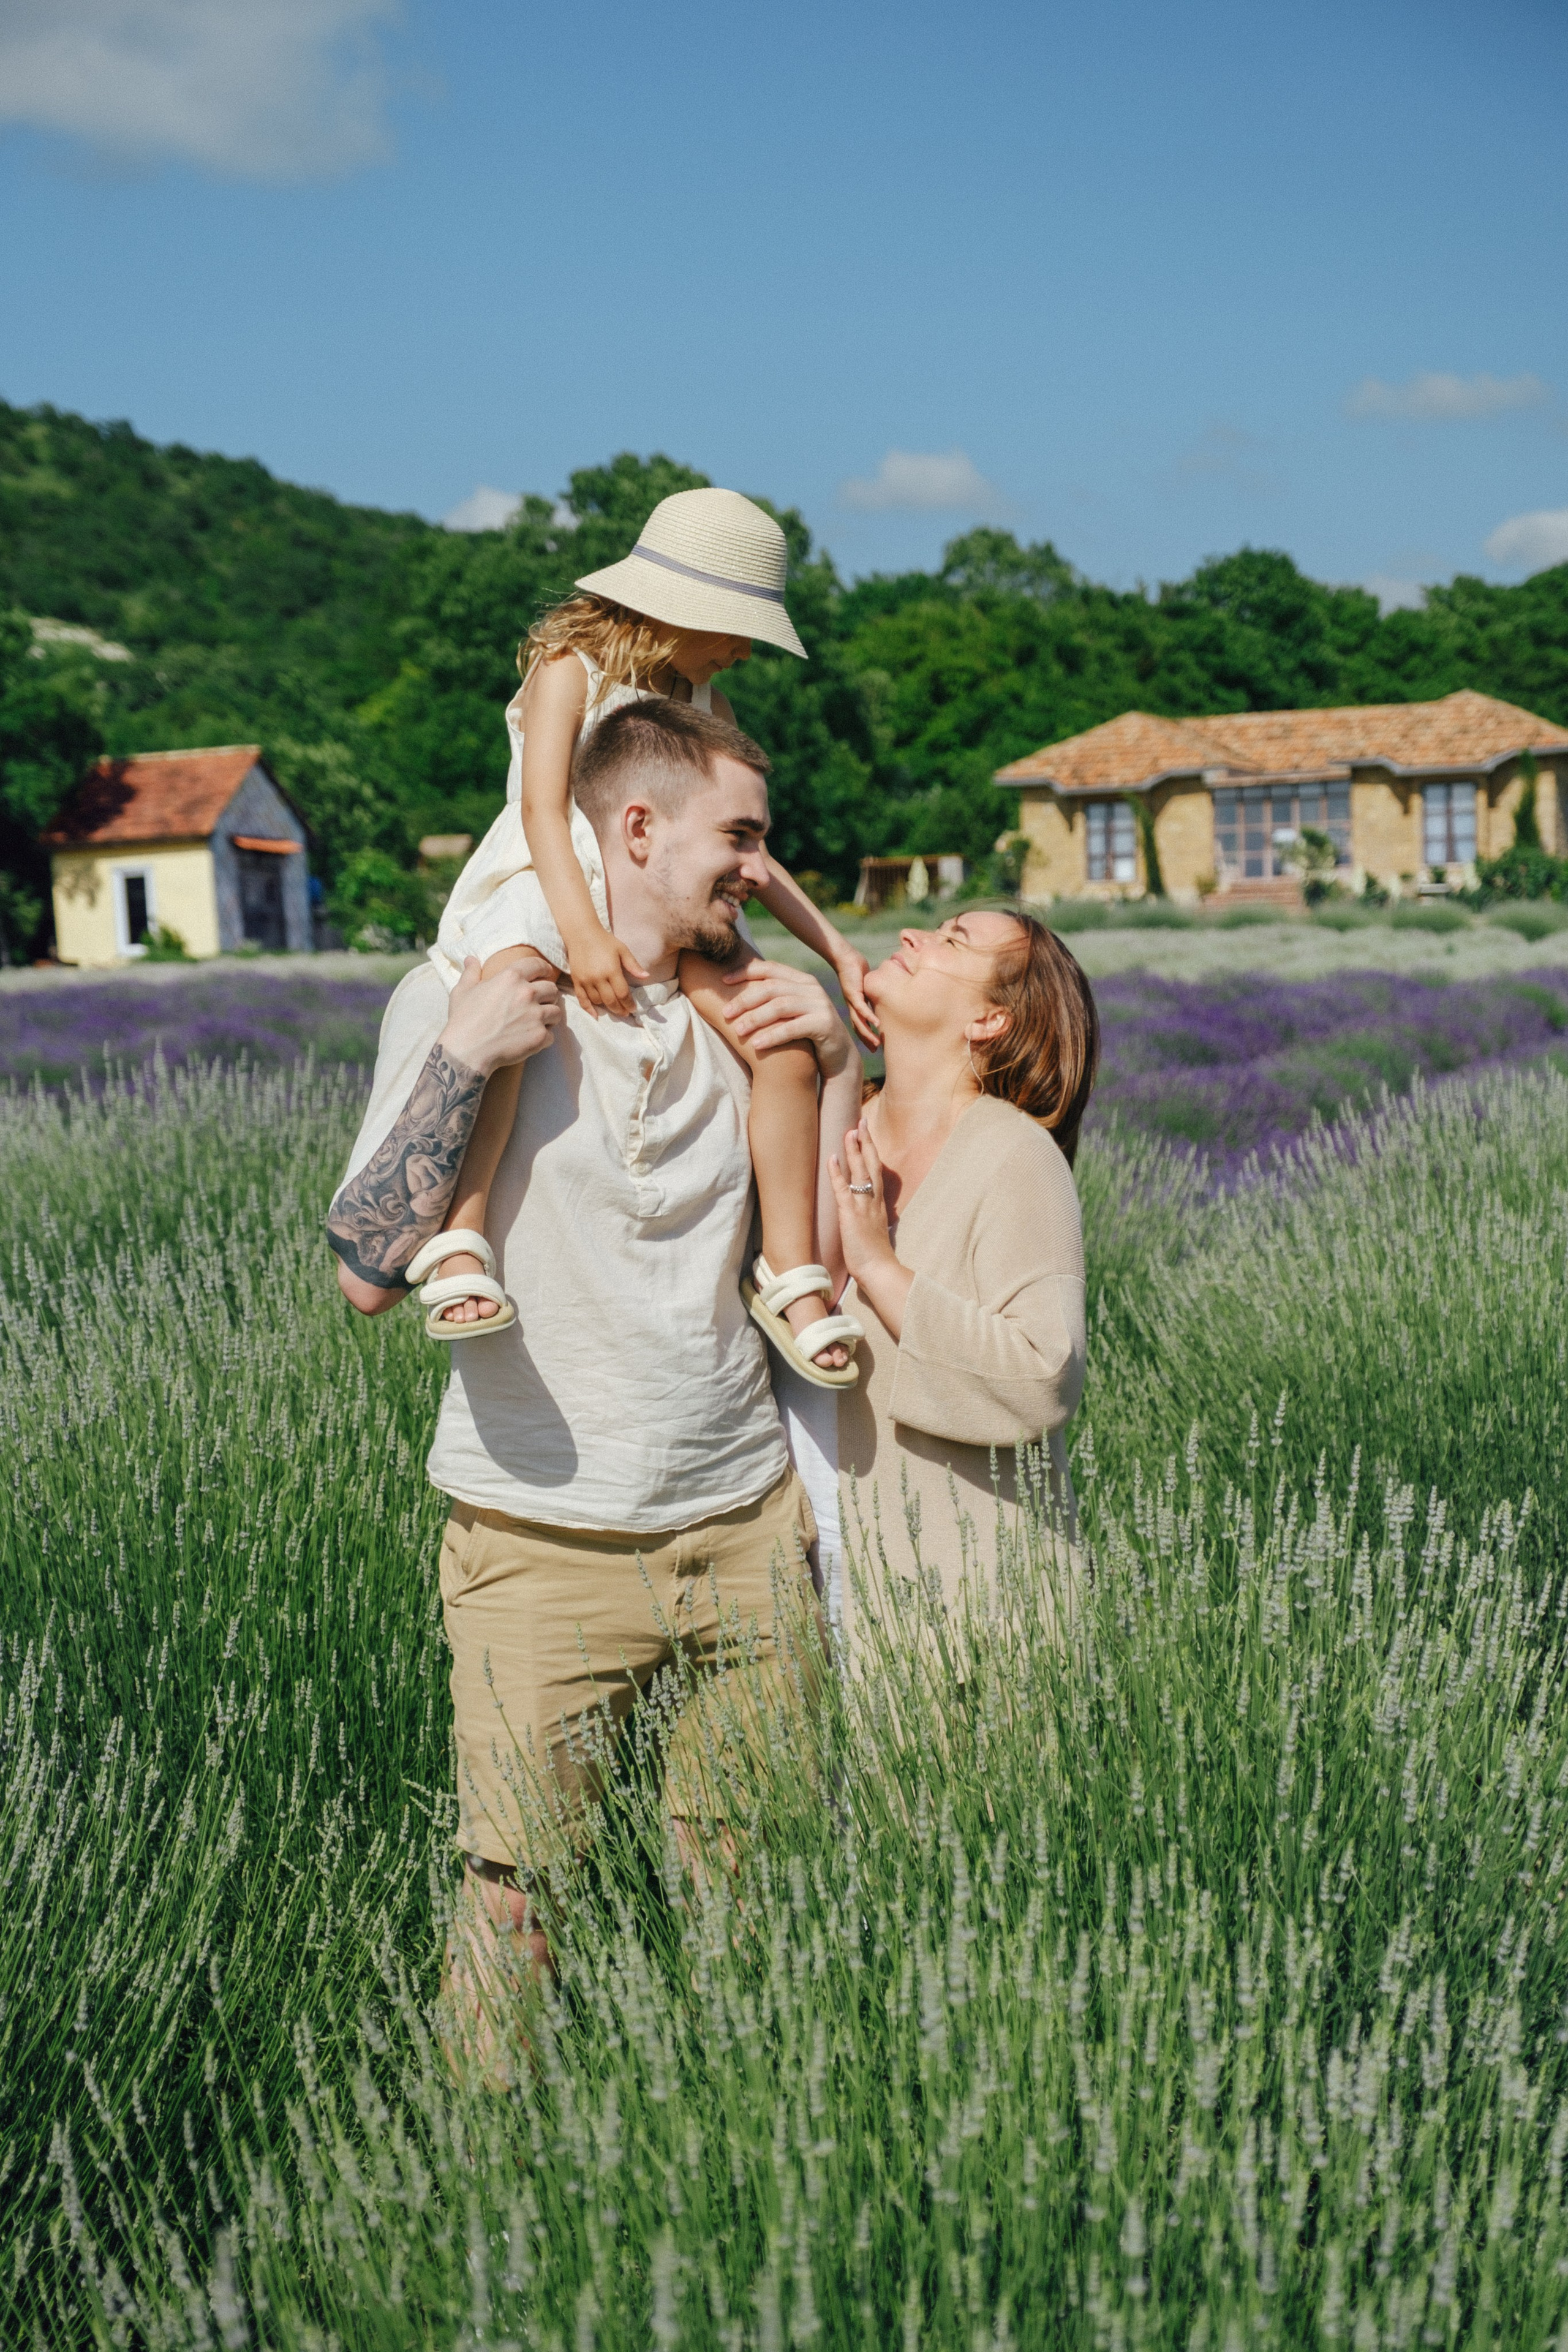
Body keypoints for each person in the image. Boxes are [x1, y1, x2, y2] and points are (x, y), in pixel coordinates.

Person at [325, 697, 865, 2032]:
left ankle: (748, 2162)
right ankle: (490, 2197)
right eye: (737, 838)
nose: (758, 868)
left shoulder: (748, 1020)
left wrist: (838, 1056)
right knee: (515, 1911)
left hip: (745, 1534)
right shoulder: (469, 996)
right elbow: (362, 1276)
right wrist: (465, 1056)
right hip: (538, 1544)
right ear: (634, 829)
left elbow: (836, 1260)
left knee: (751, 1897)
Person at [407, 486, 871, 1390]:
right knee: (514, 996)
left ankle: (790, 1271)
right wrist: (579, 932)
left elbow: (747, 848)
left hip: (669, 896)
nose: (740, 650)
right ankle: (463, 1236)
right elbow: (542, 808)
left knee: (777, 1038)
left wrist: (837, 950)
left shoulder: (705, 697)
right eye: (736, 628)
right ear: (681, 608)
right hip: (554, 878)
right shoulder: (567, 665)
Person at [818, 910, 1098, 1635]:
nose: (911, 934)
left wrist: (878, 1267)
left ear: (988, 1020)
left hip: (963, 1613)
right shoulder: (833, 1119)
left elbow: (1044, 1373)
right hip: (804, 1585)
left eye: (952, 941)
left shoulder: (1012, 1156)